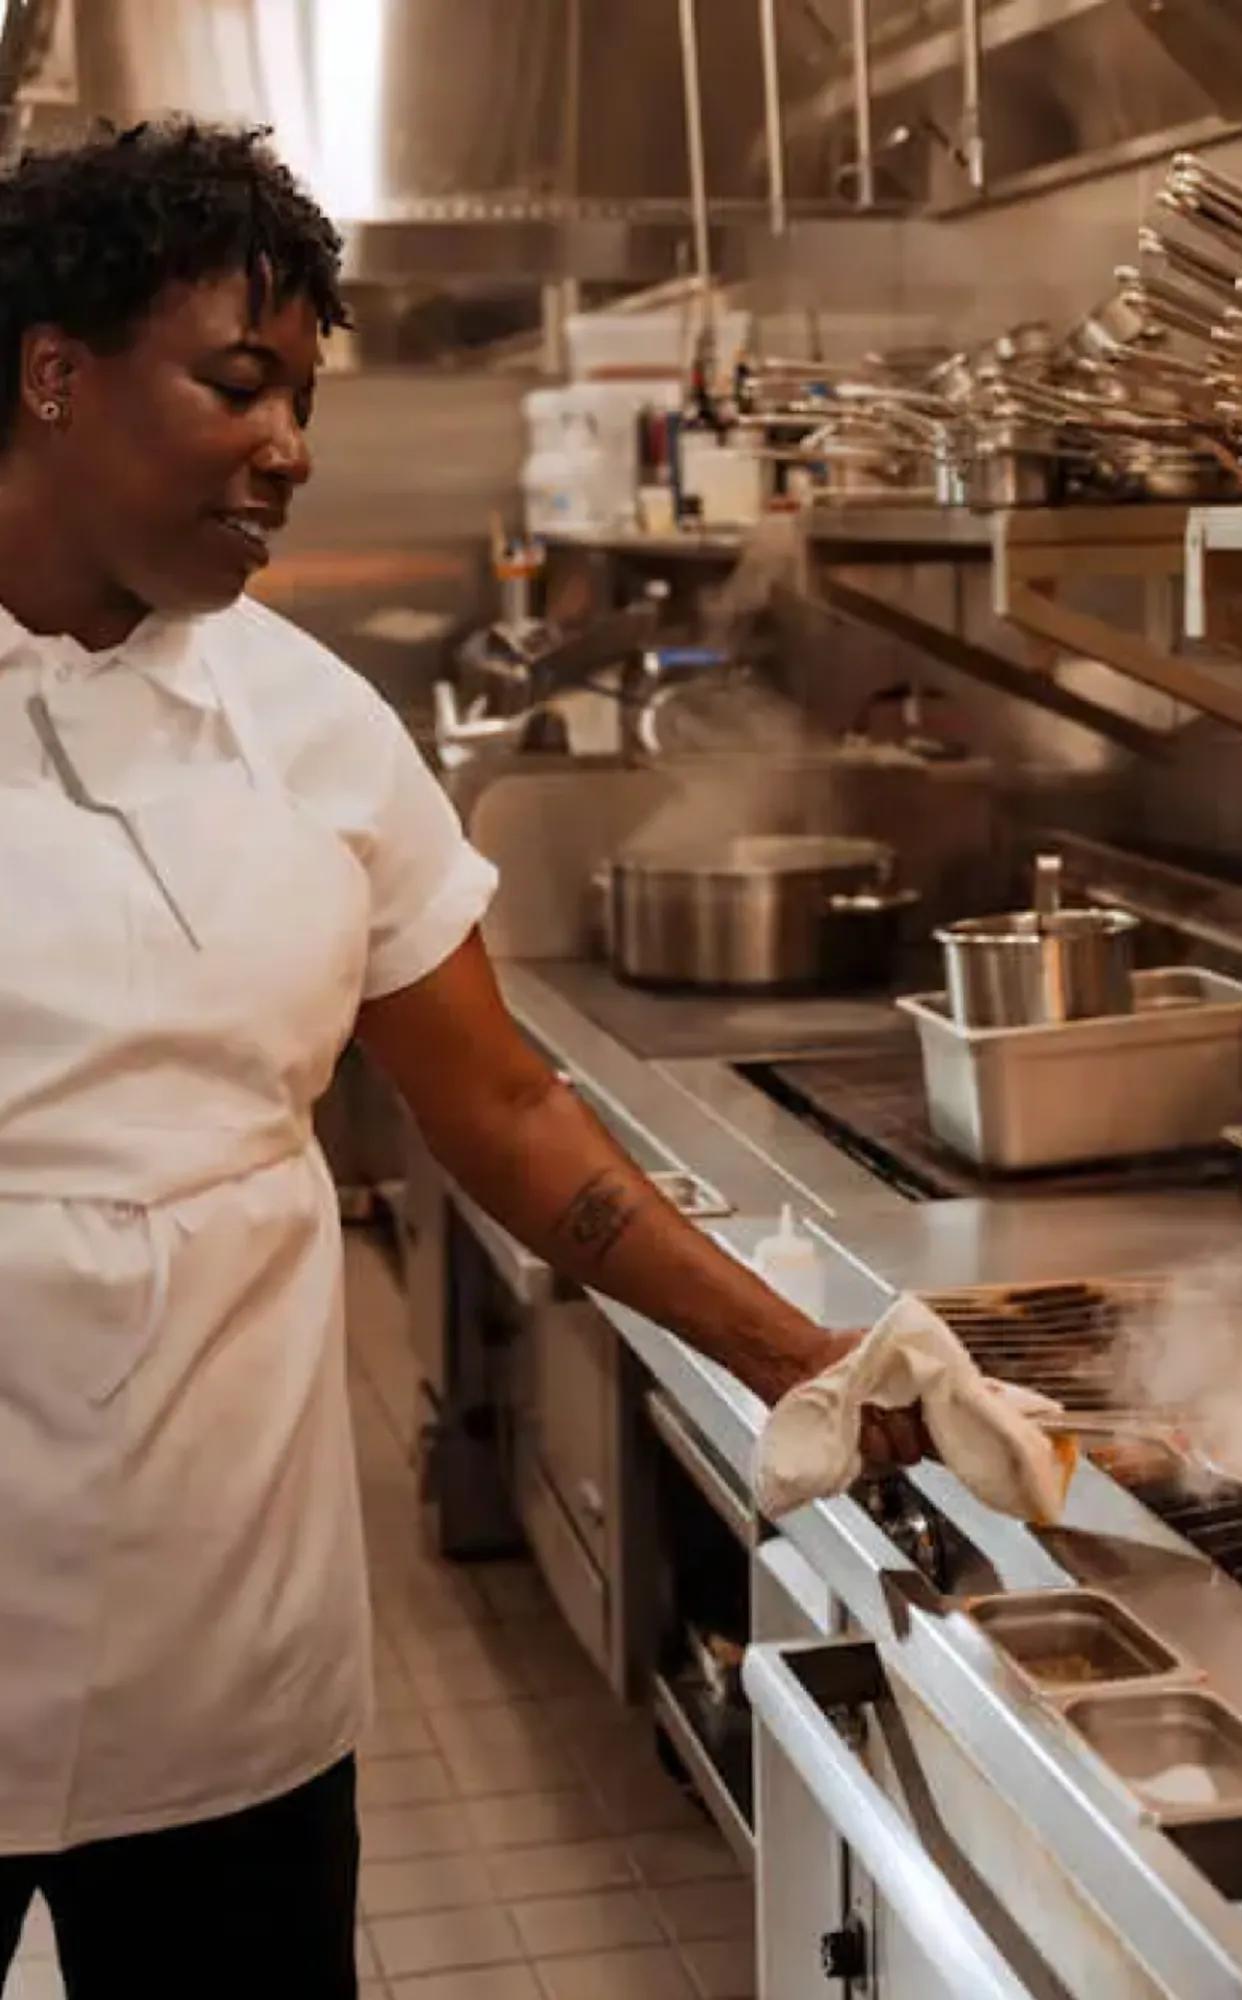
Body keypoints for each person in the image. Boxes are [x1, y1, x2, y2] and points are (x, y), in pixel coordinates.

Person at [0, 120, 921, 1998]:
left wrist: (796, 1360)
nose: (290, 447)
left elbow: (498, 1103)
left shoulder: (307, 718)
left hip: (219, 1623)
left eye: (306, 400)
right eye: (237, 383)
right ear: (52, 371)